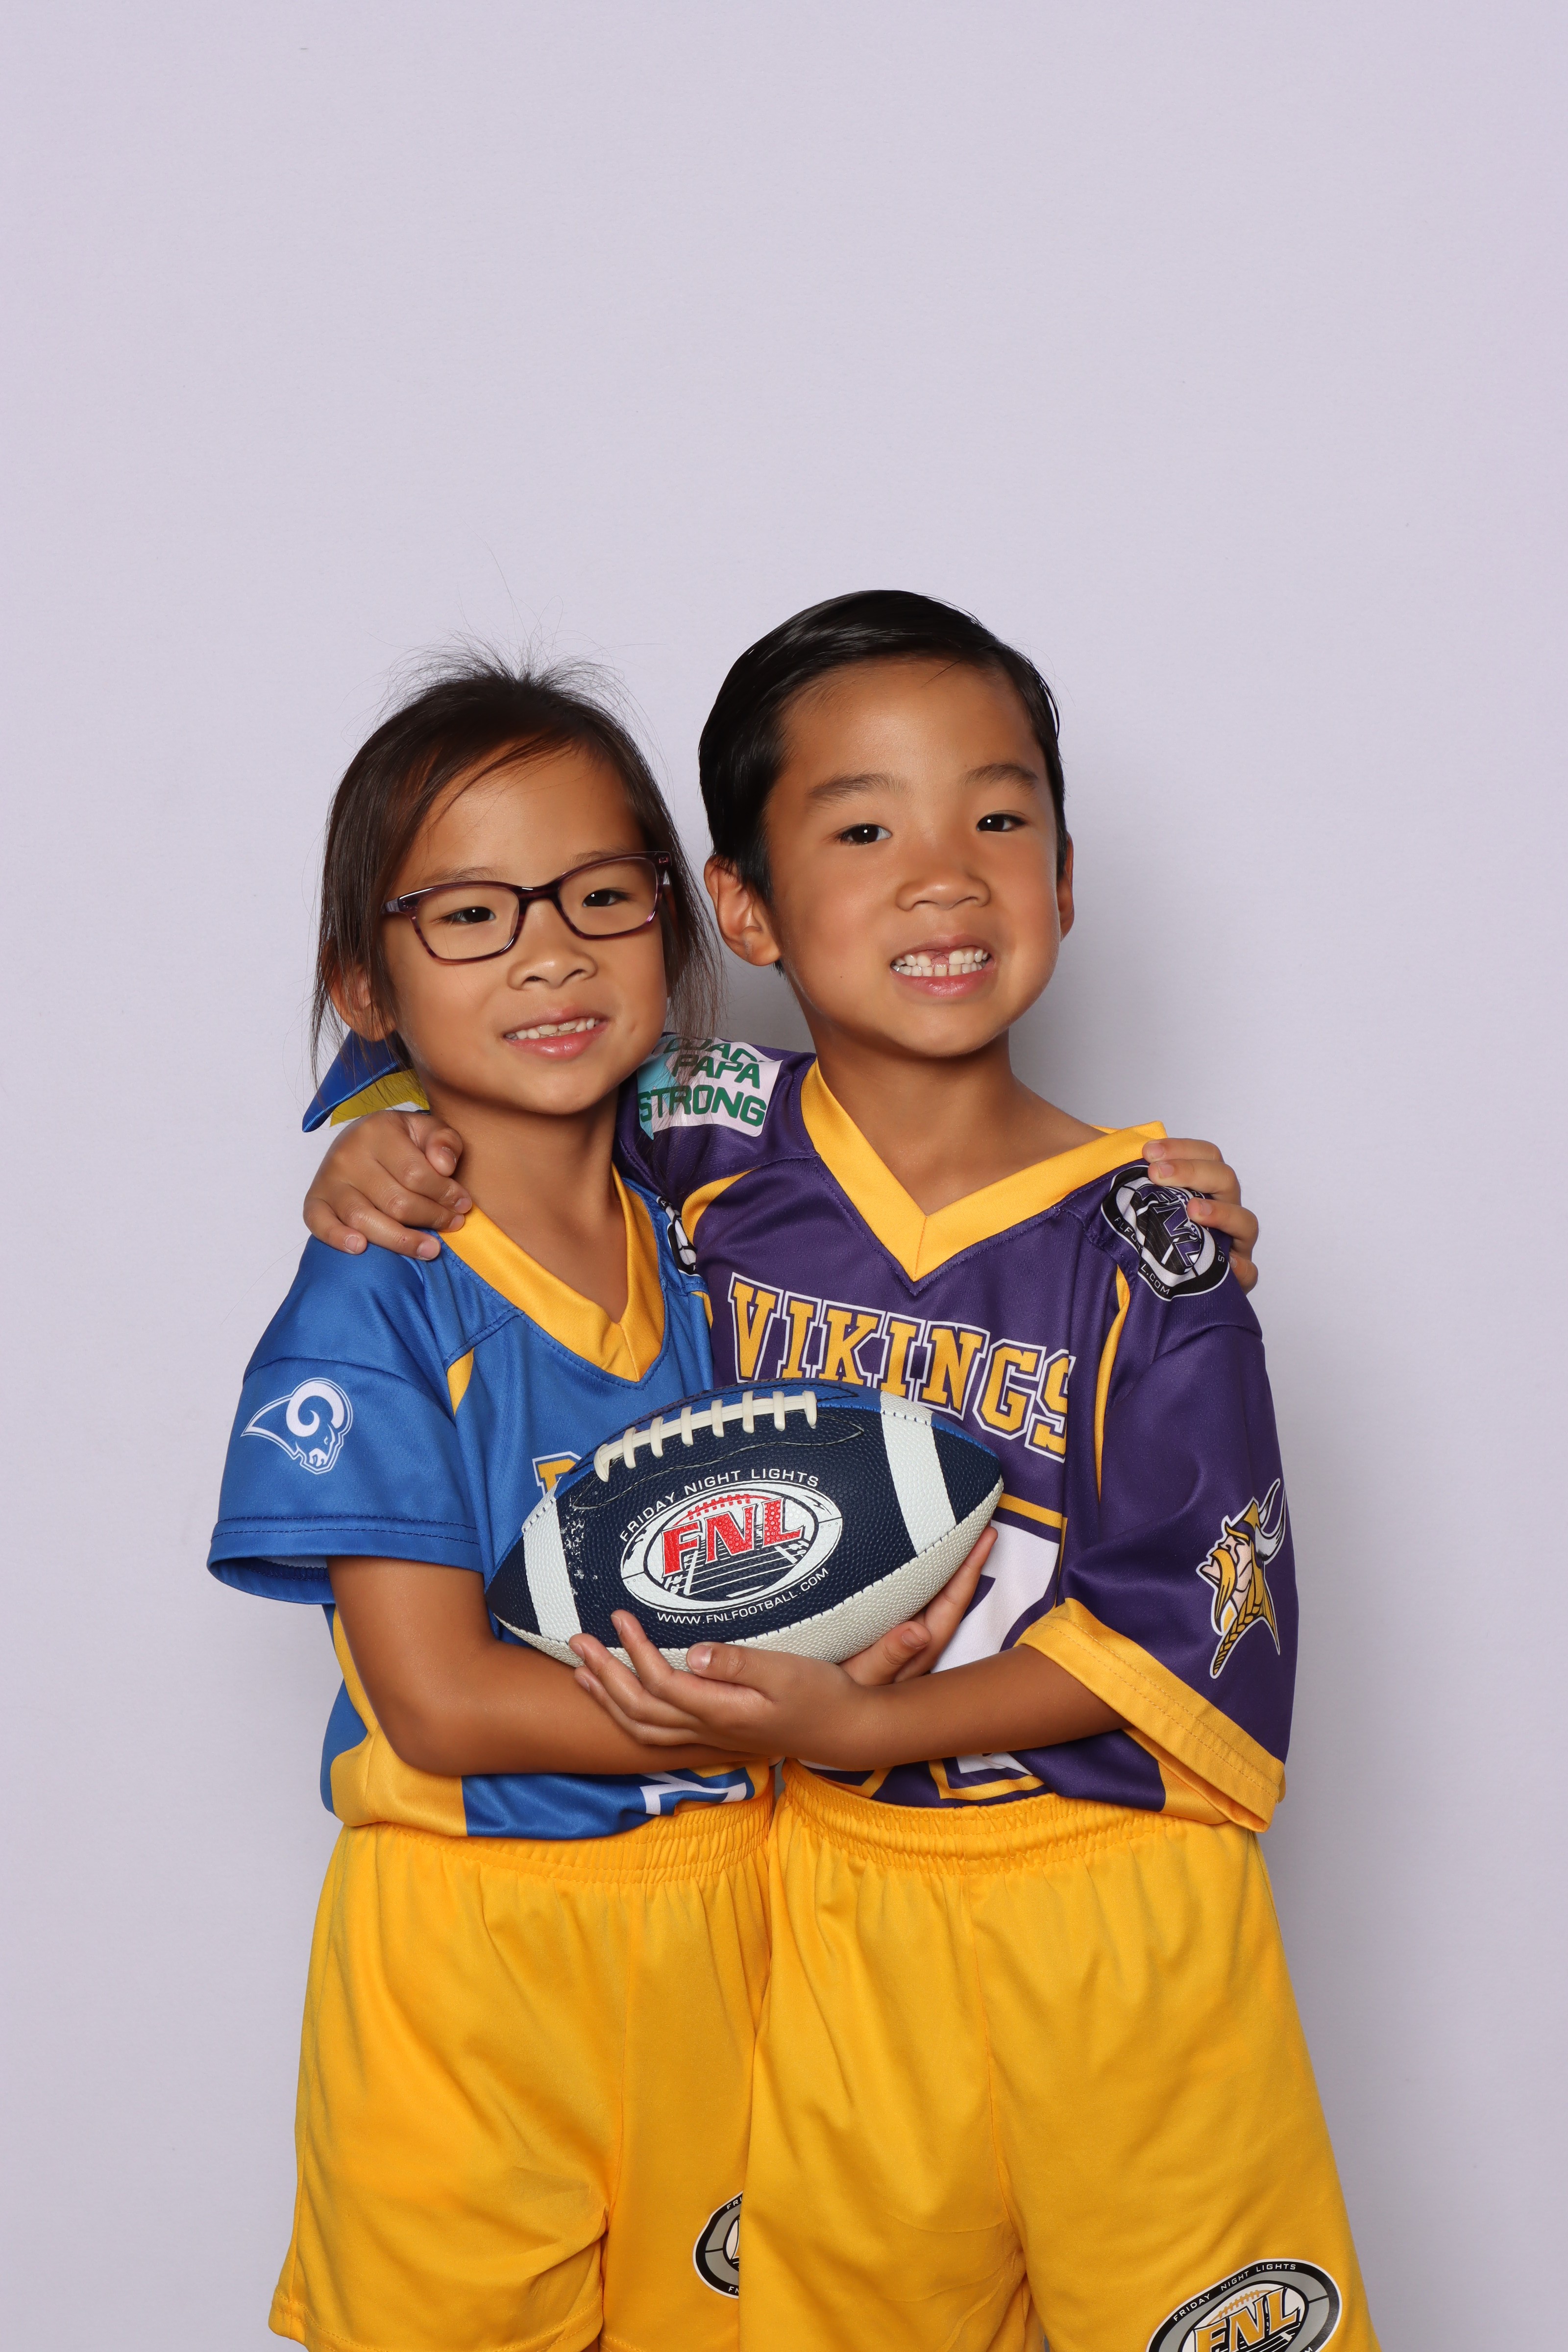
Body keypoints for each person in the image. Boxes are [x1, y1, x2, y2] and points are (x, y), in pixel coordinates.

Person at [303, 593, 1374, 2352]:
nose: (943, 878)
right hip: (812, 1911)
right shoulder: (704, 1138)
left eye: (998, 819)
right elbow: (511, 1067)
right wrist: (372, 1147)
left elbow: (1188, 1645)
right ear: (743, 909)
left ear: (1066, 878)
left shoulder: (1149, 1239)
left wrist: (864, 1722)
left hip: (1102, 1909)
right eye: (865, 831)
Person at [210, 655, 986, 2352]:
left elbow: (957, 1150)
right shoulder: (377, 1289)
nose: (550, 952)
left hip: (730, 1919)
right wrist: (795, 1714)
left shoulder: (720, 1220)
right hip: (475, 1965)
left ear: (676, 917)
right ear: (366, 982)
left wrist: (1149, 1210)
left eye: (599, 896)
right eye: (470, 915)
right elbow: (439, 1700)